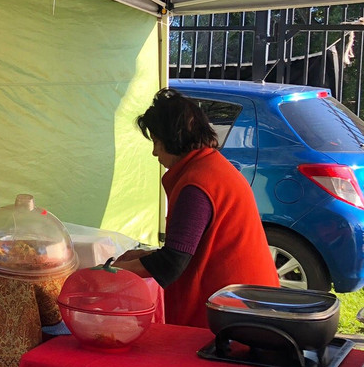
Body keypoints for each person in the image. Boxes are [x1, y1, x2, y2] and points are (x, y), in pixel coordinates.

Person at [113, 87, 279, 327]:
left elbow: (172, 263)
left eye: (157, 142)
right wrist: (140, 256)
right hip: (247, 302)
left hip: (234, 313)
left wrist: (112, 269)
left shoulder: (197, 183)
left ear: (173, 138)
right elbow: (190, 246)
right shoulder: (210, 168)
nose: (154, 152)